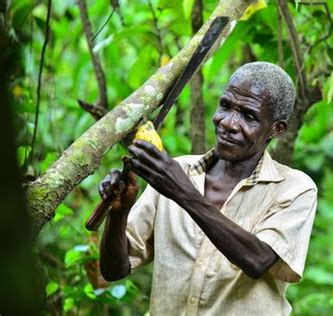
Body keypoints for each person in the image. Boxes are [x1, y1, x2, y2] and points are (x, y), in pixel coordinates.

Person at [98, 62, 317, 315]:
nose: (228, 123)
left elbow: (258, 260)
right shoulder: (177, 171)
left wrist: (182, 191)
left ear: (276, 129)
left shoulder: (294, 189)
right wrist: (118, 213)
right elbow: (114, 270)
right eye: (225, 106)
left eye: (249, 116)